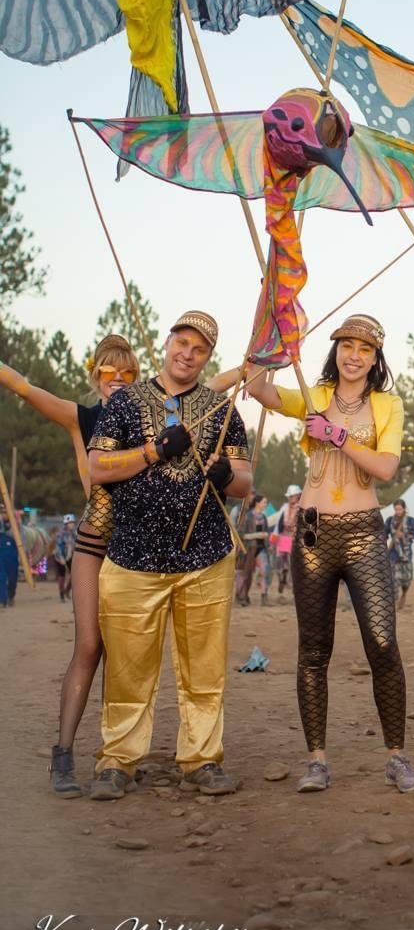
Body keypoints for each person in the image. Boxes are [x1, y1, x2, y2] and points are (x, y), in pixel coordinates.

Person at [245, 313, 414, 795]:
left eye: (364, 348)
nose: (354, 355)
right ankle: (317, 760)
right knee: (313, 650)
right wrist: (269, 334)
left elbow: (386, 468)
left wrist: (338, 436)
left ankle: (396, 756)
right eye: (347, 345)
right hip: (312, 534)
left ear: (375, 357)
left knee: (383, 643)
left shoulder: (388, 404)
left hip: (366, 532)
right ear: (336, 350)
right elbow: (258, 389)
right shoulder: (315, 394)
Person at [86, 311, 252, 801]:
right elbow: (98, 467)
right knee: (128, 668)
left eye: (198, 349)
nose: (187, 353)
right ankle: (117, 760)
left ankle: (201, 759)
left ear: (207, 357)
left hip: (205, 556)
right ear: (167, 343)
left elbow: (245, 481)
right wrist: (155, 451)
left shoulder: (221, 410)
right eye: (182, 342)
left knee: (204, 669)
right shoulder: (126, 403)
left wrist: (225, 476)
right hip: (133, 555)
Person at [2, 335, 141, 794]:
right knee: (89, 647)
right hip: (94, 541)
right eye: (108, 371)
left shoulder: (150, 419)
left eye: (126, 373)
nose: (117, 380)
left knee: (128, 657)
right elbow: (23, 386)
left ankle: (116, 758)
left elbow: (212, 386)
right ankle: (63, 754)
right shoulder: (81, 418)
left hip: (140, 548)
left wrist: (248, 370)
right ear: (95, 375)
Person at [385, 499, 414, 608]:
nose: (398, 511)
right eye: (396, 509)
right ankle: (394, 603)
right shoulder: (389, 521)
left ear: (404, 508)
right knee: (394, 579)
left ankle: (404, 594)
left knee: (408, 579)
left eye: (400, 509)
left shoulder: (411, 521)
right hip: (393, 554)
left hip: (407, 554)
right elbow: (383, 535)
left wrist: (405, 535)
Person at [237, 493, 268, 606]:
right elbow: (241, 535)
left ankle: (264, 597)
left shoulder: (264, 517)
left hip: (261, 548)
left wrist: (265, 536)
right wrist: (257, 535)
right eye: (264, 502)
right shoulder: (248, 516)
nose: (266, 505)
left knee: (264, 570)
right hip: (249, 549)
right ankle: (244, 596)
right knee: (247, 574)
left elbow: (265, 532)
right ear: (258, 503)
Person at [275, 484, 301, 598]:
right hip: (283, 537)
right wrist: (275, 534)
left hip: (295, 538)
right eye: (289, 496)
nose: (290, 498)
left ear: (298, 496)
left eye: (292, 496)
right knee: (281, 562)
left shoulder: (301, 508)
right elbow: (278, 522)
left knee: (293, 564)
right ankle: (282, 579)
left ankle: (294, 588)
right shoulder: (284, 507)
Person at [0, 516, 18, 608]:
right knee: (1, 578)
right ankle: (3, 600)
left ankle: (10, 596)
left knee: (12, 578)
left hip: (12, 558)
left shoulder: (10, 537)